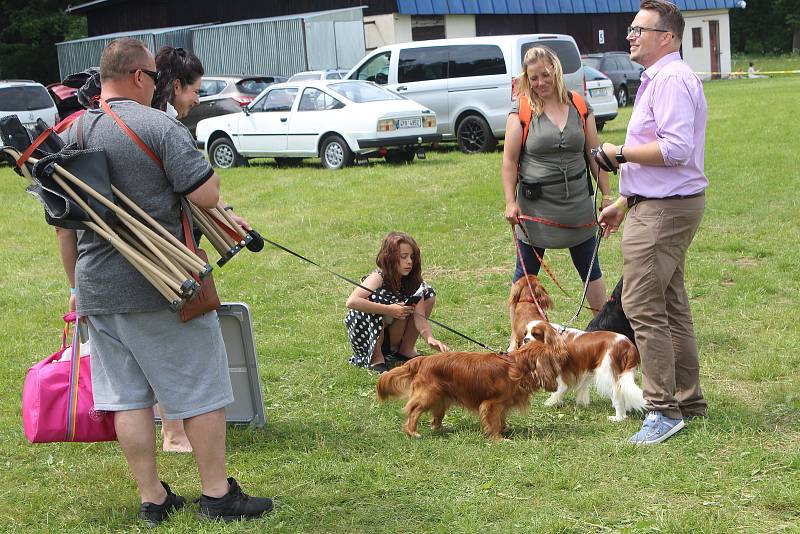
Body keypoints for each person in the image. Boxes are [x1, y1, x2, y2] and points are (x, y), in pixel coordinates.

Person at [56, 38, 273, 524]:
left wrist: (79, 289)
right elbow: (207, 192)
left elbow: (63, 228)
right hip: (165, 283)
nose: (157, 84)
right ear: (138, 76)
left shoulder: (71, 134)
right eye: (154, 76)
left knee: (127, 398)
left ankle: (153, 499)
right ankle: (217, 495)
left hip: (97, 289)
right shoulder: (158, 125)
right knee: (201, 388)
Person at [597, 0, 708, 446]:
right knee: (671, 307)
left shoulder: (672, 79)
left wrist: (617, 154)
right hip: (657, 204)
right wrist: (625, 200)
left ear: (668, 37)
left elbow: (676, 149)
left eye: (639, 29)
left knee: (643, 307)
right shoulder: (662, 79)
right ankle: (688, 400)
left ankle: (663, 410)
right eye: (631, 28)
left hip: (664, 211)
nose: (630, 36)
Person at [501, 46, 612, 317]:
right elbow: (510, 162)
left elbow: (594, 155)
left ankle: (606, 329)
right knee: (524, 274)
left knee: (591, 269)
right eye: (534, 78)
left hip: (577, 204)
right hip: (536, 209)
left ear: (556, 71)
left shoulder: (579, 105)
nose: (540, 83)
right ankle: (517, 340)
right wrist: (510, 202)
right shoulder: (522, 110)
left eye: (545, 75)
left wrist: (607, 196)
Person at [344, 231, 450, 373]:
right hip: (370, 337)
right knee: (372, 299)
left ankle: (406, 349)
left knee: (427, 293)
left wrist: (429, 337)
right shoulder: (378, 276)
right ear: (390, 258)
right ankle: (376, 358)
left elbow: (419, 315)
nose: (409, 261)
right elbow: (352, 301)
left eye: (412, 257)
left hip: (393, 336)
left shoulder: (412, 281)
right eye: (403, 257)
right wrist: (390, 310)